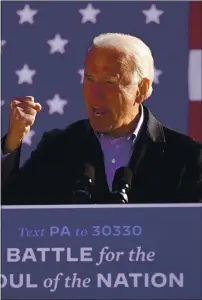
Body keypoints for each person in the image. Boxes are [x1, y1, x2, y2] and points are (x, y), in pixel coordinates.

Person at [1, 33, 202, 205]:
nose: (94, 94)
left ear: (140, 90)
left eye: (109, 82)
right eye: (89, 79)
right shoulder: (58, 147)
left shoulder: (187, 157)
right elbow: (11, 208)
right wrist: (12, 142)